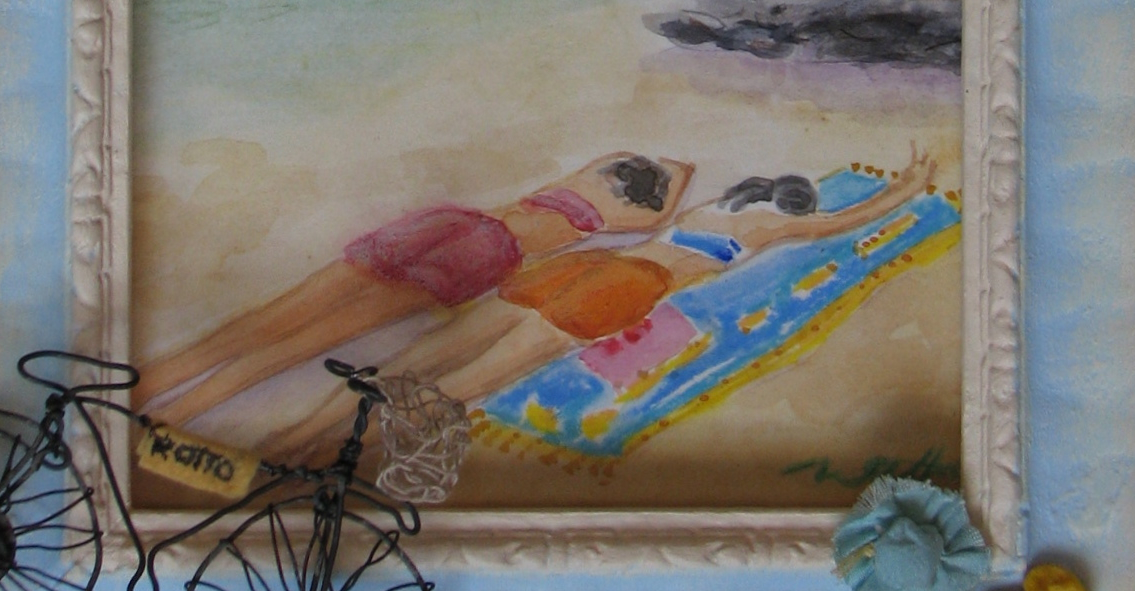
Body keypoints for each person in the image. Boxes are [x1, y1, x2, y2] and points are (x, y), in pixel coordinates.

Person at [261, 149, 935, 465]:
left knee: (418, 360)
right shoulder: (764, 228)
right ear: (789, 209)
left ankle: (285, 440)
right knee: (460, 388)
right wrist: (905, 189)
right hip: (626, 286)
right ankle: (320, 459)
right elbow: (840, 223)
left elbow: (676, 171)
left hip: (578, 269)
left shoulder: (710, 206)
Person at [133, 152, 694, 424]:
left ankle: (153, 386)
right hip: (482, 254)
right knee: (299, 341)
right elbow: (671, 198)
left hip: (455, 226)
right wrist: (682, 174)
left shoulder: (587, 176)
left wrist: (666, 167)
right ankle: (171, 412)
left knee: (279, 320)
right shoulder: (618, 218)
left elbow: (659, 175)